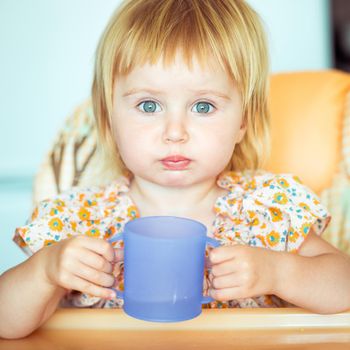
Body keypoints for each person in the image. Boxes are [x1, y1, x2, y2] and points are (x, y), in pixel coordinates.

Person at [1, 0, 350, 339]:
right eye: (149, 105)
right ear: (108, 121)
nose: (175, 132)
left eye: (203, 106)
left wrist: (281, 272)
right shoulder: (77, 219)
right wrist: (45, 272)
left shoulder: (269, 207)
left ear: (243, 120)